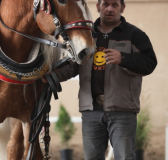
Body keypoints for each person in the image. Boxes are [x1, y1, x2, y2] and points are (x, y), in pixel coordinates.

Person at [44, 0, 157, 159]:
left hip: (122, 111)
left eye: (115, 5)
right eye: (105, 4)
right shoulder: (86, 34)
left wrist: (123, 58)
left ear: (122, 8)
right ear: (98, 7)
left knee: (125, 157)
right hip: (91, 111)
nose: (110, 9)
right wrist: (51, 77)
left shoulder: (135, 35)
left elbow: (150, 63)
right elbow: (73, 66)